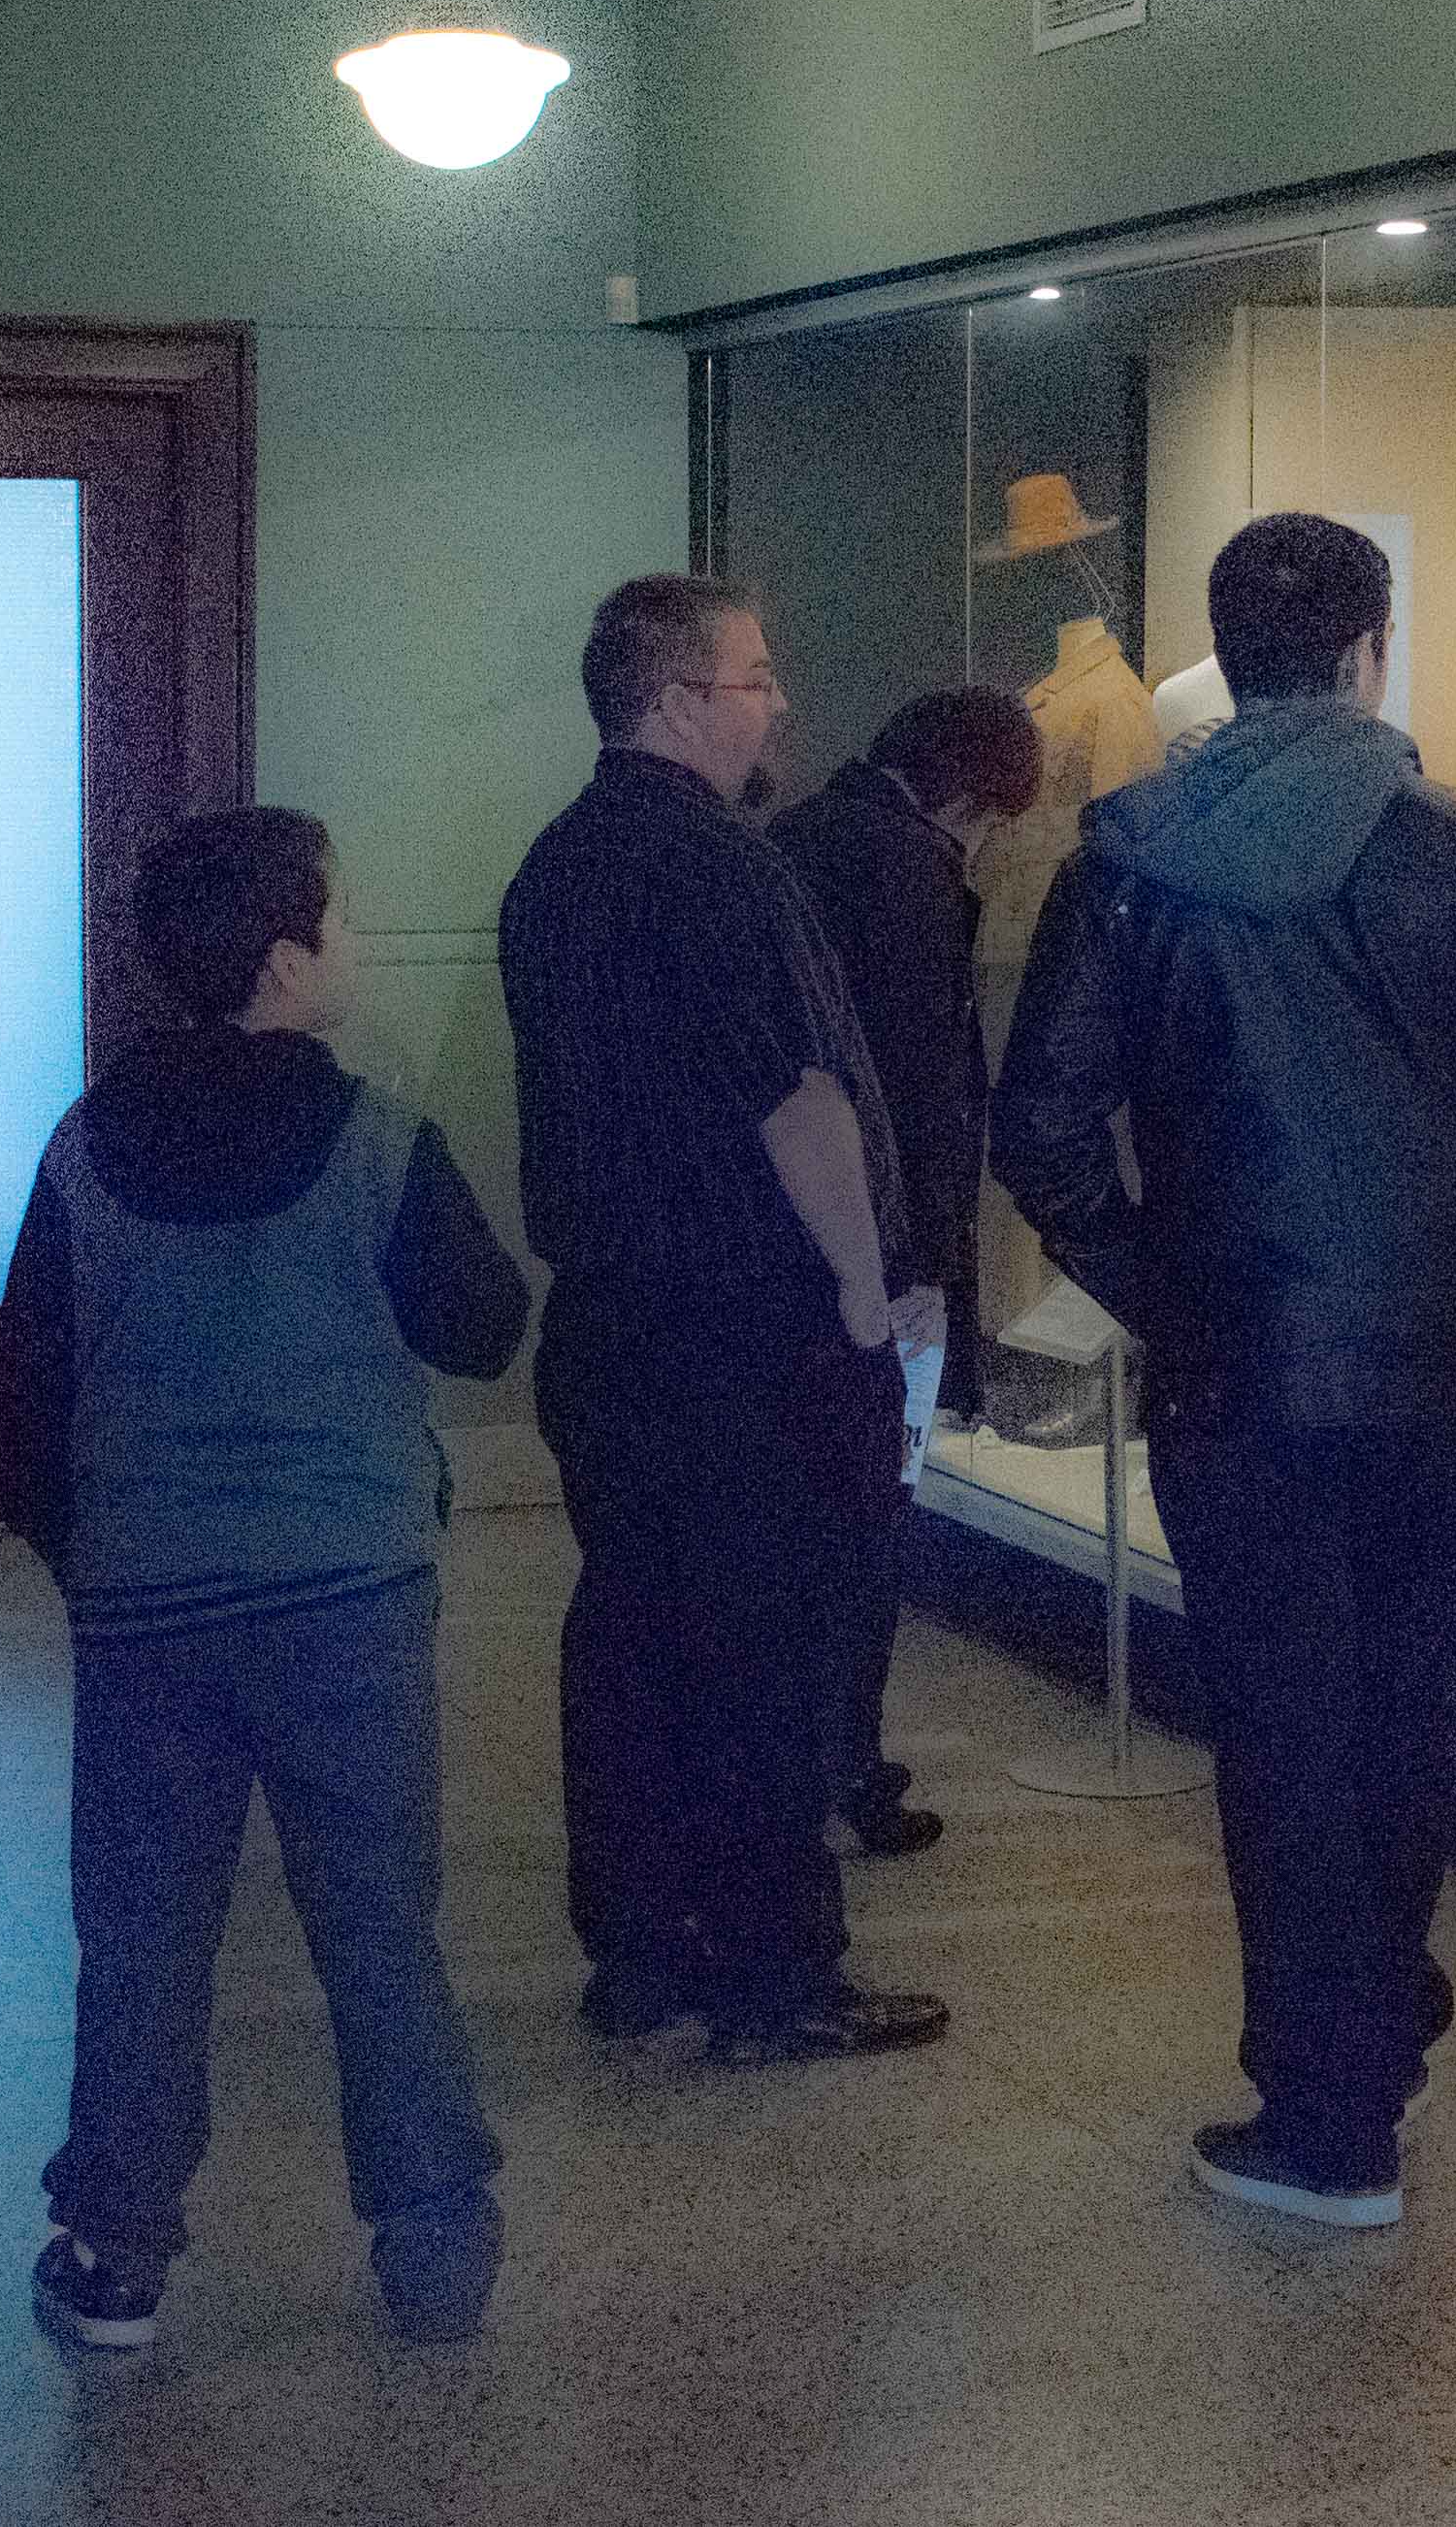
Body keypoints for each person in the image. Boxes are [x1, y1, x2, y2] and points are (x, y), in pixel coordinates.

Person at [996, 513, 1456, 2226]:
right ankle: (1374, 2036)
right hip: (1434, 1359)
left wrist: (1167, 1286)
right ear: (1368, 649)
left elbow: (1041, 1127)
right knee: (1404, 1711)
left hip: (1238, 1365)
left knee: (1281, 1726)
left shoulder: (1129, 854)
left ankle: (1327, 2111)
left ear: (1228, 650)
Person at [0, 808, 532, 2351]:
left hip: (147, 1605)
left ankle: (116, 2248)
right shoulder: (376, 1137)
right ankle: (433, 2243)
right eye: (342, 918)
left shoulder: (82, 1146)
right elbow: (483, 1324)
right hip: (349, 1592)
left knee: (143, 1931)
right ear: (286, 960)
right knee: (377, 1919)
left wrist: (96, 1553)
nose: (353, 940)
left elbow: (21, 1406)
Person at [498, 574, 950, 2065]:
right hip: (747, 1332)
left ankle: (641, 1952)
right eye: (755, 676)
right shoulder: (720, 865)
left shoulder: (555, 865)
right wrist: (858, 1296)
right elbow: (800, 1099)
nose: (778, 703)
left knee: (634, 1640)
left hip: (614, 1322)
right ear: (682, 696)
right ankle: (772, 1973)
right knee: (766, 1653)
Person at [770, 684, 1044, 1859]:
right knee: (875, 1510)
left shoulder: (797, 839)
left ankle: (815, 1761)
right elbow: (928, 1089)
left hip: (792, 1234)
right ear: (971, 793)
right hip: (887, 1240)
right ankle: (849, 1767)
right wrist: (942, 1274)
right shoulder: (911, 869)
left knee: (808, 1523)